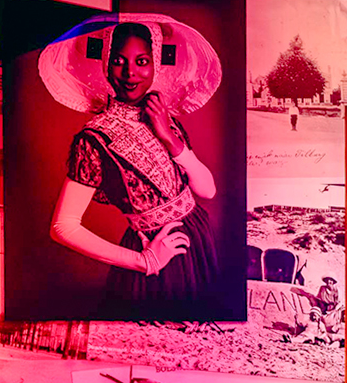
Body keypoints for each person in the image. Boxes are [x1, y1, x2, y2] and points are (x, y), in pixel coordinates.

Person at [42, 16, 224, 319]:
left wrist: (169, 138)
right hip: (156, 256)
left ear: (155, 65)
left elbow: (207, 190)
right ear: (104, 64)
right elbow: (63, 227)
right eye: (118, 61)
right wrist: (145, 261)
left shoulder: (165, 118)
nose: (130, 73)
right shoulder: (94, 138)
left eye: (142, 61)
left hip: (200, 243)